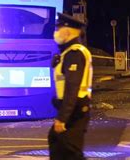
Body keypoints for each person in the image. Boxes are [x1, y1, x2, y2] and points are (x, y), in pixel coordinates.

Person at [48, 12, 93, 160]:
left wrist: (62, 118)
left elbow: (72, 88)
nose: (55, 33)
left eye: (58, 29)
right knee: (59, 144)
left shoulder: (74, 53)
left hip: (75, 109)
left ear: (66, 31)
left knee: (70, 150)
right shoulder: (67, 52)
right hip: (72, 108)